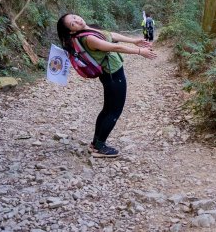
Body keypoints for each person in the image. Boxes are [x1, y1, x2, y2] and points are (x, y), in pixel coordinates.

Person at [56, 13, 157, 158]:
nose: (77, 20)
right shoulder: (88, 38)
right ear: (72, 31)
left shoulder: (87, 30)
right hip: (112, 76)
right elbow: (115, 47)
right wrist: (140, 51)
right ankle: (100, 147)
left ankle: (95, 143)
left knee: (107, 110)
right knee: (114, 111)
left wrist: (134, 41)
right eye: (72, 23)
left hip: (109, 74)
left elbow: (111, 35)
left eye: (74, 17)